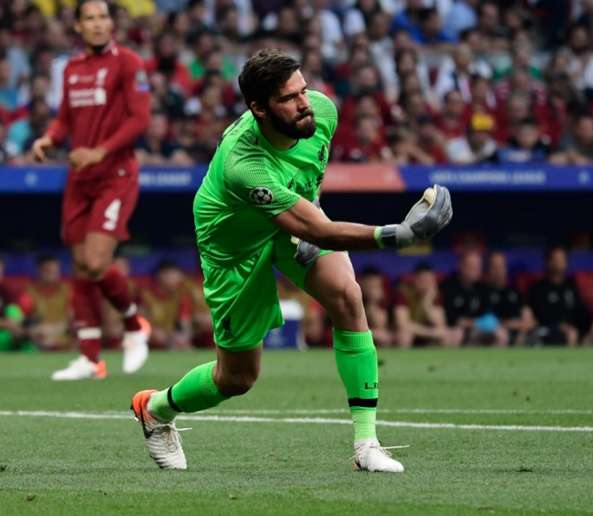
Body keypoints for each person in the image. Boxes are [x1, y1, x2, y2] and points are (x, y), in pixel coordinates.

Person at [129, 49, 452, 473]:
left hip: (290, 222)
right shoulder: (243, 164)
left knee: (347, 297)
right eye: (289, 98)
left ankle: (366, 444)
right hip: (233, 249)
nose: (304, 103)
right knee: (237, 379)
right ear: (259, 109)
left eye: (303, 89)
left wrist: (309, 210)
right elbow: (318, 229)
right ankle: (155, 408)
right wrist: (397, 235)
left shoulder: (322, 112)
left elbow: (309, 184)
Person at [31, 0, 151, 380]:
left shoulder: (128, 63)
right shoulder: (71, 68)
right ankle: (90, 357)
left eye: (104, 17)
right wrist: (49, 139)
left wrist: (99, 150)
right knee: (81, 266)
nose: (99, 24)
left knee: (98, 262)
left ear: (111, 23)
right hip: (79, 178)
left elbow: (140, 119)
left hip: (115, 173)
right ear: (78, 27)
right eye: (91, 19)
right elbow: (65, 118)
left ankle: (134, 326)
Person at [527, 246, 593, 346]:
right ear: (548, 262)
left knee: (590, 333)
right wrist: (559, 326)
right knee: (567, 335)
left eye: (562, 259)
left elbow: (581, 311)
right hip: (548, 330)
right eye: (556, 259)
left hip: (572, 329)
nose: (560, 263)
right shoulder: (539, 288)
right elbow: (540, 315)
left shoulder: (571, 286)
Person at [441, 250, 508, 346]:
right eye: (471, 267)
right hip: (455, 329)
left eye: (478, 266)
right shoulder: (449, 287)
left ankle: (494, 360)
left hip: (477, 330)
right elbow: (451, 319)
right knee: (457, 334)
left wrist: (478, 324)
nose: (476, 270)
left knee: (500, 333)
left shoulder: (483, 288)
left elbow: (488, 315)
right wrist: (474, 323)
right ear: (461, 266)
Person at [393, 262, 455, 348]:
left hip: (424, 333)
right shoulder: (404, 293)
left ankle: (439, 361)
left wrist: (427, 302)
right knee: (405, 335)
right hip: (412, 333)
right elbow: (403, 324)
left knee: (447, 335)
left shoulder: (435, 296)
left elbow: (440, 324)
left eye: (430, 280)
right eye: (423, 280)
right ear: (415, 279)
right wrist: (431, 333)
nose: (427, 284)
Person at [484, 251, 536, 346]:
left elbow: (530, 320)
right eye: (494, 267)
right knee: (500, 335)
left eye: (501, 267)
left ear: (505, 268)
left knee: (532, 333)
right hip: (494, 333)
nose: (498, 271)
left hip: (518, 332)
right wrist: (511, 324)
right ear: (488, 270)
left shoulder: (515, 292)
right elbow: (486, 321)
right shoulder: (483, 291)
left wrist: (522, 329)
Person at [26, 254, 72, 350]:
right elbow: (24, 318)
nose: (51, 274)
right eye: (47, 270)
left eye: (54, 270)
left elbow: (73, 316)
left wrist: (58, 328)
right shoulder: (28, 291)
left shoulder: (68, 291)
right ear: (38, 270)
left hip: (64, 336)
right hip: (37, 338)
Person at [358, 266, 393, 347]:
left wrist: (373, 302)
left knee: (383, 335)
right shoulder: (354, 297)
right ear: (361, 283)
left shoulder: (384, 299)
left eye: (376, 286)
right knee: (381, 336)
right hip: (356, 332)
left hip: (378, 332)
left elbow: (379, 325)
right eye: (369, 286)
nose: (372, 290)